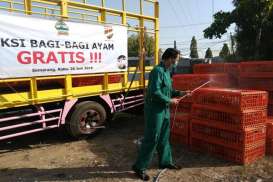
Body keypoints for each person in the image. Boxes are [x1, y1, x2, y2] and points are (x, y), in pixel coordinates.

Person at [132, 48, 190, 181]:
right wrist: (170, 100)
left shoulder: (167, 72)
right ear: (170, 58)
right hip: (154, 110)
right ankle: (139, 167)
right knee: (152, 138)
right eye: (177, 59)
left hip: (164, 110)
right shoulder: (157, 71)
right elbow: (155, 92)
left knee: (164, 136)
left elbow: (169, 91)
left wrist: (181, 93)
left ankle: (165, 161)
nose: (177, 62)